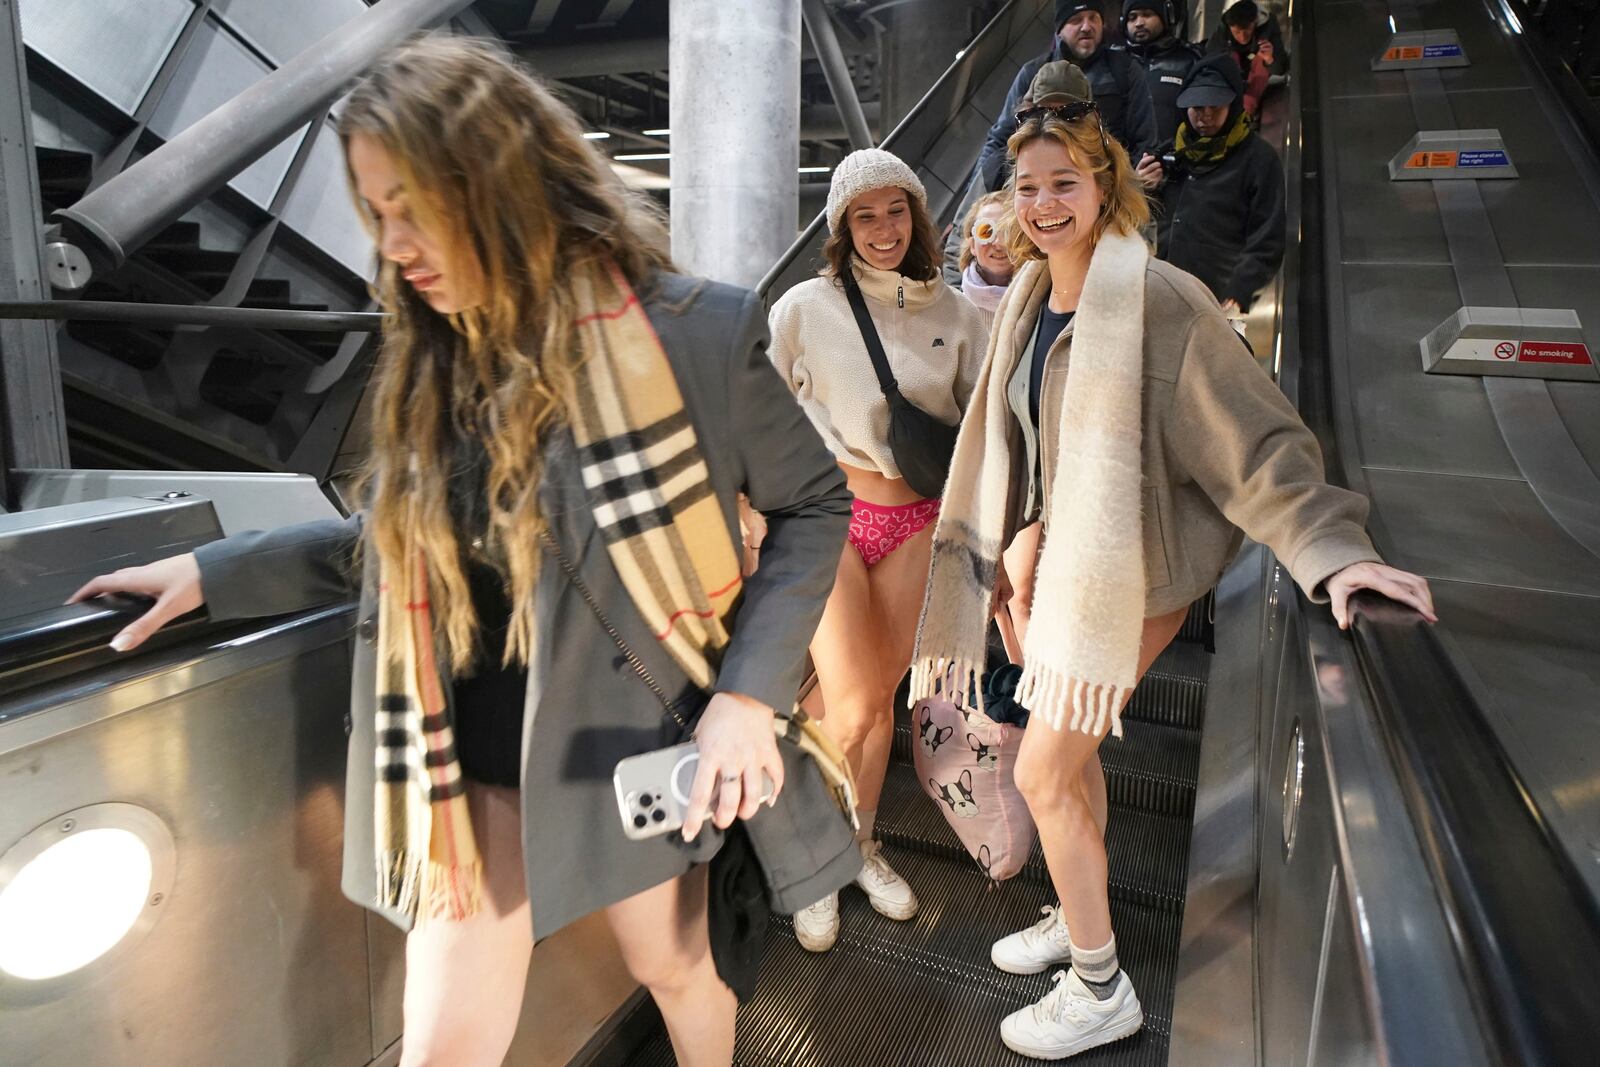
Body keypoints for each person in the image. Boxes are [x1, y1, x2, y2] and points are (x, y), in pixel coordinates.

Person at [67, 37, 858, 1067]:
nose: (393, 242)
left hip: (624, 747)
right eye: (376, 211)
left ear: (498, 178)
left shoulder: (694, 335)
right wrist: (214, 570)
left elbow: (811, 503)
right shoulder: (437, 361)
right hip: (463, 768)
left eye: (412, 204)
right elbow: (400, 548)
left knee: (676, 972)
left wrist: (748, 696)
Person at [908, 60, 1435, 1060]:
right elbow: (1021, 436)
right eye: (1027, 187)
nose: (1044, 203)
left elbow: (1259, 442)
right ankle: (1078, 910)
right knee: (1073, 767)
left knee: (1051, 772)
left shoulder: (1159, 299)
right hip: (1054, 566)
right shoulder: (1025, 294)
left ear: (1105, 184)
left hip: (1131, 572)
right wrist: (1017, 530)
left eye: (1064, 182)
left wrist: (1331, 550)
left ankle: (1101, 985)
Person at [767, 148, 989, 953]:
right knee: (853, 702)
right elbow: (764, 410)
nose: (884, 229)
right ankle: (812, 858)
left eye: (896, 211)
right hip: (831, 517)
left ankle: (858, 846)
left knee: (875, 702)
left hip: (918, 523)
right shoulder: (804, 307)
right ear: (841, 226)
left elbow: (985, 436)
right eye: (866, 215)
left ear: (918, 216)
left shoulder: (961, 316)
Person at [976, 0, 1160, 194]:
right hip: (1040, 190)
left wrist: (1130, 188)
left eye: (1093, 18)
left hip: (1106, 192)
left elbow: (1144, 140)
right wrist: (976, 200)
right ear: (1060, 29)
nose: (1087, 27)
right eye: (1076, 20)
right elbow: (999, 138)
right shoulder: (1033, 72)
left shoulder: (1125, 70)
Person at [1155, 53, 1286, 315]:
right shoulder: (1170, 154)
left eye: (1215, 107)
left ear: (1233, 105)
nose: (1205, 117)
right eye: (1197, 107)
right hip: (1161, 293)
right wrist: (1140, 186)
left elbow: (1267, 240)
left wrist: (1240, 290)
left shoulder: (1258, 159)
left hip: (1218, 302)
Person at [1121, 0, 1205, 153]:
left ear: (1165, 17)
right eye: (1132, 17)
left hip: (1177, 163)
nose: (1139, 23)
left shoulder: (1189, 60)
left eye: (1147, 15)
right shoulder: (1116, 61)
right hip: (1123, 166)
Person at [1207, 0, 1287, 117]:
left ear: (1255, 23)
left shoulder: (1268, 28)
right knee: (1226, 59)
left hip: (1256, 76)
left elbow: (1281, 69)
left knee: (1260, 59)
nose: (1242, 37)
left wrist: (1270, 59)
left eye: (1247, 31)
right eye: (1237, 32)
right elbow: (1209, 60)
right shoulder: (1223, 31)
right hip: (1232, 76)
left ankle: (1246, 110)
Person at [956, 190, 1017, 322]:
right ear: (972, 245)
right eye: (986, 232)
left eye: (1007, 231)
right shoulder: (958, 313)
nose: (999, 244)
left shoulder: (1047, 288)